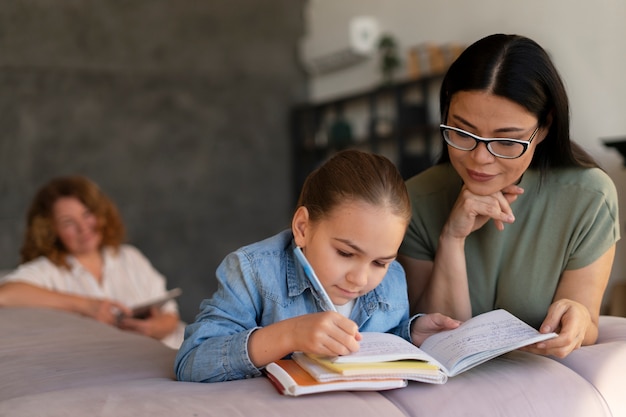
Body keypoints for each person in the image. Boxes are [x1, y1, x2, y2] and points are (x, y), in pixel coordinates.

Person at [398, 34, 620, 359]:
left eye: (506, 141)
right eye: (462, 132)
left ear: (544, 127)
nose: (479, 159)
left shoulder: (589, 198)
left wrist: (577, 318)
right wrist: (452, 237)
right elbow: (440, 340)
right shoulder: (415, 199)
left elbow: (585, 321)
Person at [175, 149, 460, 382]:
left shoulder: (393, 278)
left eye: (379, 262)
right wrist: (290, 334)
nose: (360, 278)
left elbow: (377, 345)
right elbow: (191, 362)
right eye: (346, 253)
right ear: (302, 227)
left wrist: (410, 335)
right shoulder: (253, 271)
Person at [0, 175, 184, 349]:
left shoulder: (128, 257)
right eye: (68, 222)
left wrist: (154, 328)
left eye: (87, 214)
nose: (83, 228)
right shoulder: (48, 270)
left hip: (175, 349)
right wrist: (87, 306)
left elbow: (170, 313)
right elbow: (5, 295)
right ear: (50, 231)